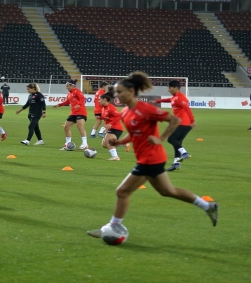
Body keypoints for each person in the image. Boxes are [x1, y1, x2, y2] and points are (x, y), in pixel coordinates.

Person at [86, 72, 218, 240]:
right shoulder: (126, 113)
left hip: (150, 159)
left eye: (120, 92)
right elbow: (135, 134)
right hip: (148, 158)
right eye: (116, 92)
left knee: (122, 192)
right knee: (167, 191)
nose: (117, 95)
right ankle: (208, 206)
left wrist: (161, 138)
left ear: (131, 92)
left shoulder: (145, 109)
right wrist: (119, 143)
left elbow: (174, 120)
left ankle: (113, 226)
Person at [153, 80, 197, 171]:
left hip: (183, 123)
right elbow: (167, 100)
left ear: (176, 88)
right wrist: (156, 101)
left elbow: (187, 109)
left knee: (171, 139)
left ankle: (185, 153)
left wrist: (192, 121)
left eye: (170, 88)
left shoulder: (181, 98)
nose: (168, 90)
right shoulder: (175, 97)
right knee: (177, 143)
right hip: (182, 123)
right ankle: (176, 163)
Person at [53, 79, 89, 150]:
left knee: (80, 127)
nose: (67, 87)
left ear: (72, 85)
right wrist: (59, 105)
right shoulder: (69, 93)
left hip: (81, 112)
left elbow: (83, 99)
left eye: (68, 86)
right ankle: (67, 144)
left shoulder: (77, 91)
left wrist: (79, 104)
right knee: (66, 127)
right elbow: (67, 102)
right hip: (73, 113)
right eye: (66, 86)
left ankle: (85, 144)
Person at [98, 90, 125, 161]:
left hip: (116, 128)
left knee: (108, 141)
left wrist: (110, 124)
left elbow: (118, 116)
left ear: (104, 99)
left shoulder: (111, 107)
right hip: (110, 128)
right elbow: (107, 118)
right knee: (104, 144)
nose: (98, 101)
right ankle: (124, 143)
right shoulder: (103, 108)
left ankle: (115, 157)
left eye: (100, 99)